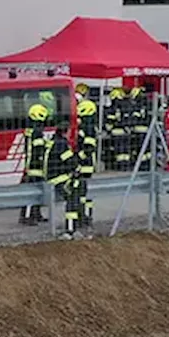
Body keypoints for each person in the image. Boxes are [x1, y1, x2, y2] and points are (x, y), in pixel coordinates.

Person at [45, 121, 78, 238]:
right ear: (66, 132)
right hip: (57, 179)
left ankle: (72, 227)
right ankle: (70, 229)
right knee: (73, 197)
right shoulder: (62, 144)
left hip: (51, 177)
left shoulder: (52, 141)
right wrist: (76, 167)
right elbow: (70, 162)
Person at [20, 104, 51, 225]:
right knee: (32, 193)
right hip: (35, 166)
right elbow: (38, 150)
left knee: (38, 192)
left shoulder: (31, 130)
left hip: (32, 165)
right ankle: (27, 217)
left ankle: (36, 214)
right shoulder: (37, 132)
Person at [74, 98, 99, 228]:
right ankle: (86, 216)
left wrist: (78, 157)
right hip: (87, 164)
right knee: (85, 193)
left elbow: (89, 148)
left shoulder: (88, 127)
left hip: (85, 165)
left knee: (82, 192)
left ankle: (84, 216)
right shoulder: (87, 125)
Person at [104, 88, 131, 170]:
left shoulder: (111, 108)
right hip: (124, 132)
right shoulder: (125, 106)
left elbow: (109, 122)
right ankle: (125, 166)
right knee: (124, 150)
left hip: (115, 133)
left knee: (117, 150)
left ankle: (118, 167)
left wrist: (108, 129)